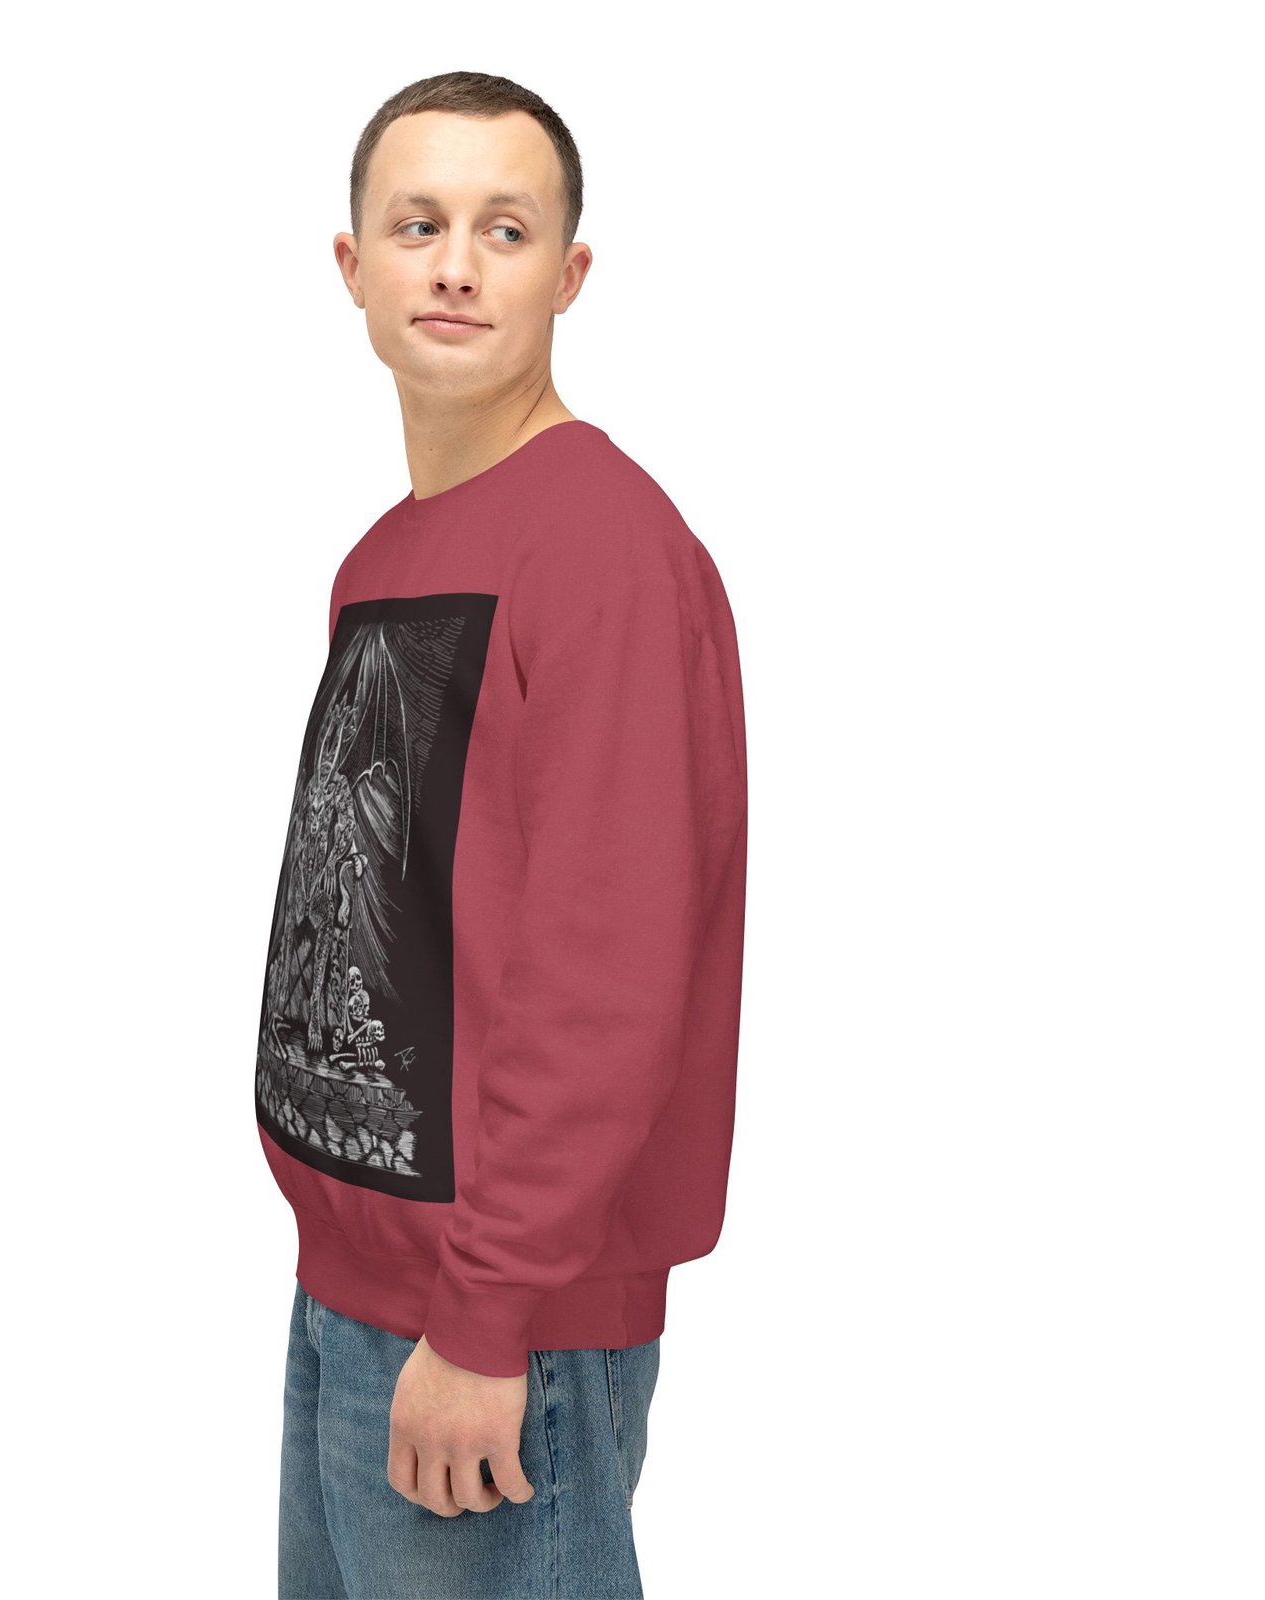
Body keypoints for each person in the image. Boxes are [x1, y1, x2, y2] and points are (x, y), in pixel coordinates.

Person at [254, 69, 749, 1599]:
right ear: (353, 267)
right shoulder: (383, 559)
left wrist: (485, 1316)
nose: (458, 265)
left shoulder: (602, 547)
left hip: (494, 1329)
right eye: (419, 225)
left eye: (506, 229)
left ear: (569, 274)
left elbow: (606, 977)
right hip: (355, 1296)